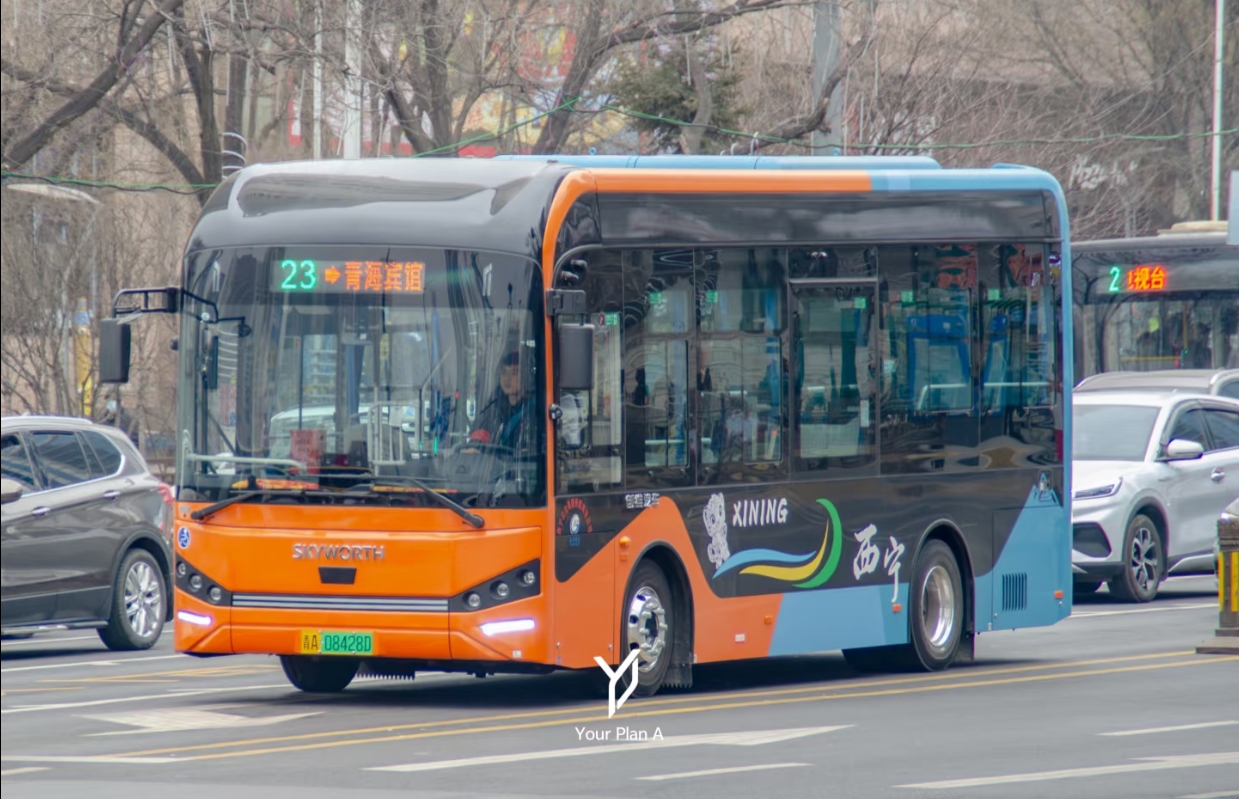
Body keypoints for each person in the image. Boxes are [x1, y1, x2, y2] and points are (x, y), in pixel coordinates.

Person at [469, 352, 537, 451]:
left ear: (526, 377)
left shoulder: (534, 410)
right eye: (504, 372)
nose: (507, 379)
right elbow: (481, 433)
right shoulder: (494, 407)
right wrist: (474, 447)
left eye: (514, 373)